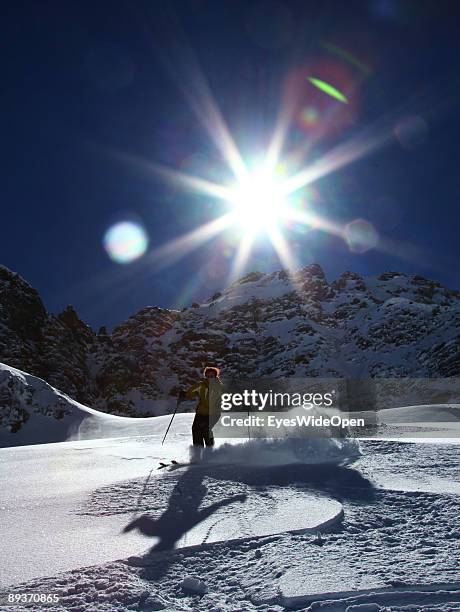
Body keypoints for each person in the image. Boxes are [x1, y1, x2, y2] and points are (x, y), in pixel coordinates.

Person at [180, 366, 223, 455]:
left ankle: (209, 452)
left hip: (213, 413)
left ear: (216, 376)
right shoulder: (201, 385)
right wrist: (184, 394)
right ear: (205, 377)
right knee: (196, 430)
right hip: (201, 413)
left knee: (206, 430)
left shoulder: (220, 387)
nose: (210, 378)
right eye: (208, 376)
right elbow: (190, 393)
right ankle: (198, 453)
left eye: (212, 376)